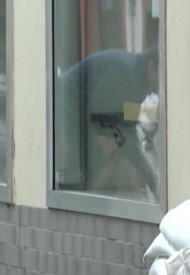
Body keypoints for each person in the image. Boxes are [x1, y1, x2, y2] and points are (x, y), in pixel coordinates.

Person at [54, 47, 159, 193]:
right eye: (159, 83)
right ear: (151, 66)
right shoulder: (125, 72)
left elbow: (127, 121)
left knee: (119, 149)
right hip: (66, 110)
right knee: (98, 165)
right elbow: (101, 116)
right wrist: (152, 181)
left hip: (83, 112)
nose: (157, 90)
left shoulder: (138, 79)